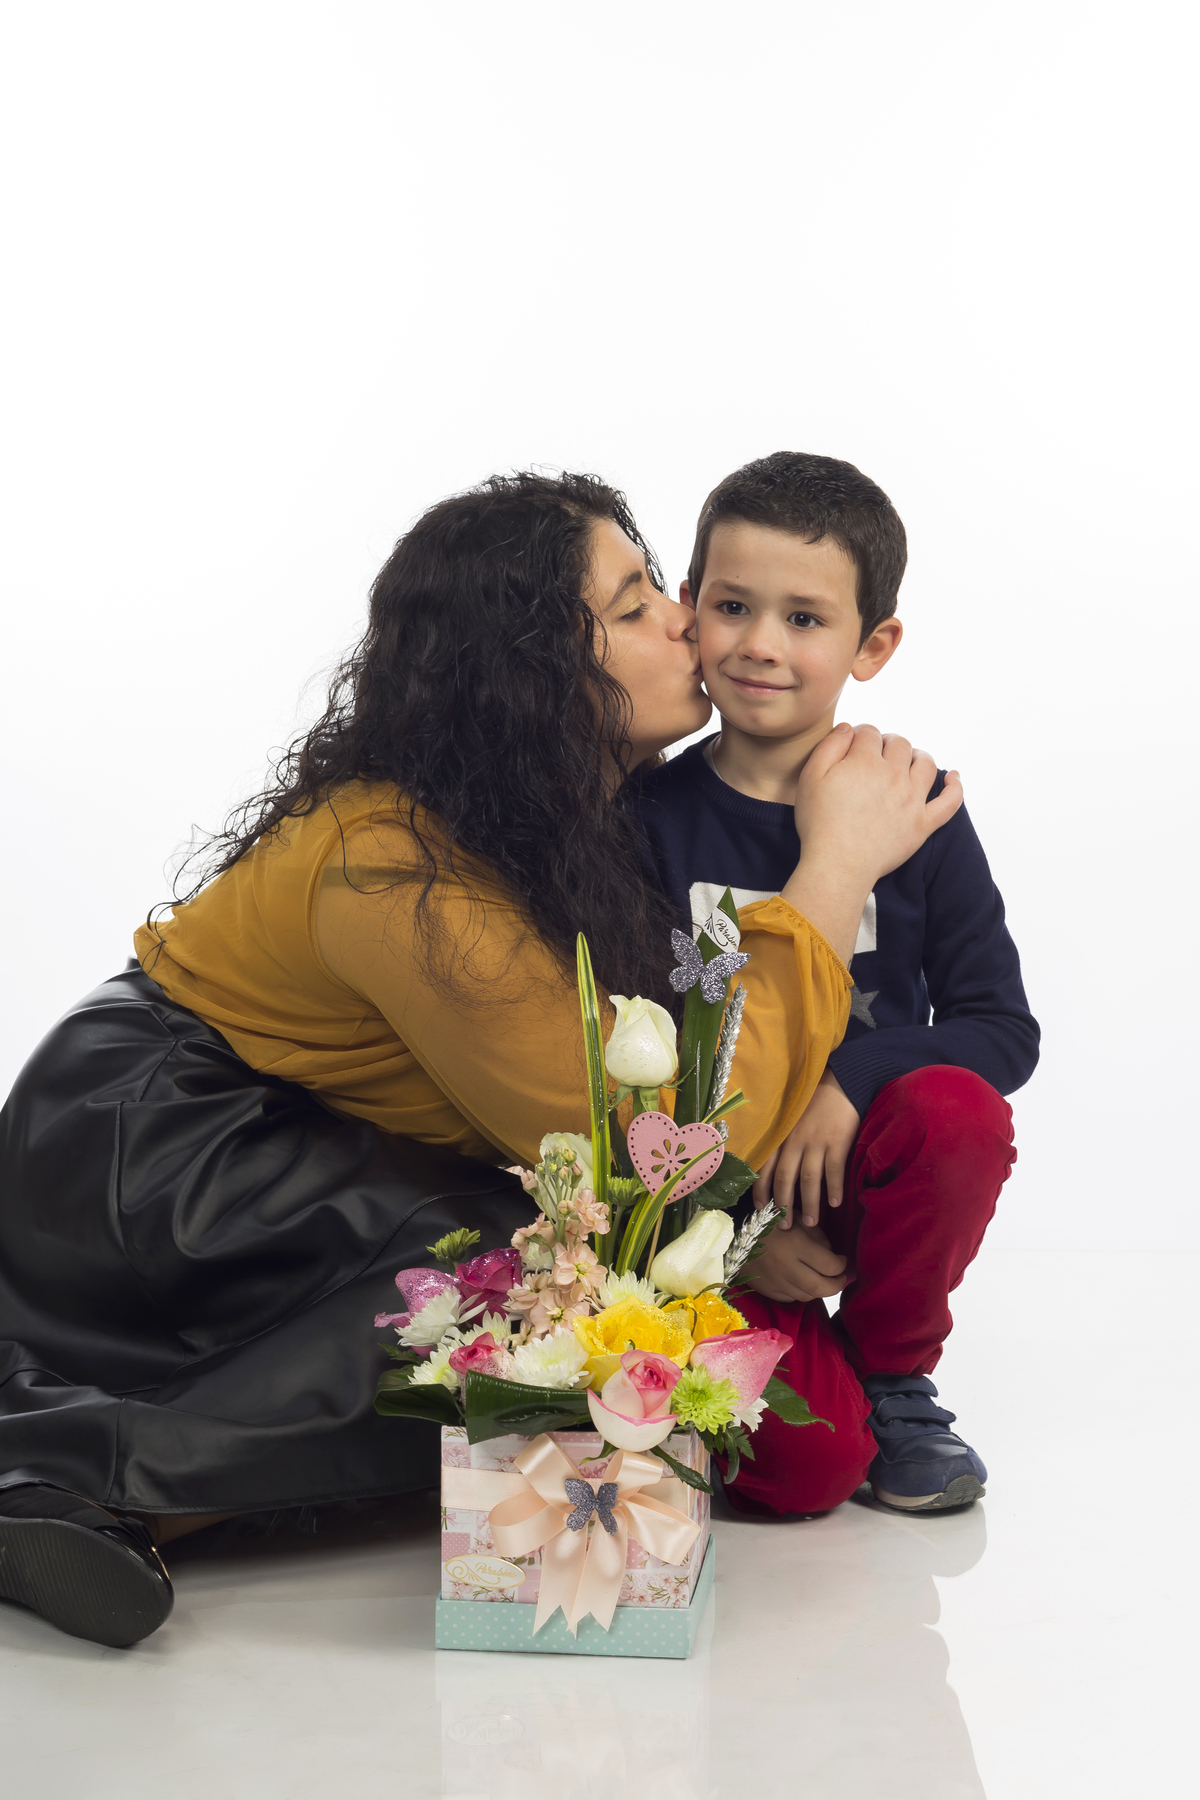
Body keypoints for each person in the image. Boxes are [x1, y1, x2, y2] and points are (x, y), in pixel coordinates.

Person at [0, 470, 960, 1649]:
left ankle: (92, 1493)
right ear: (531, 674)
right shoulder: (387, 858)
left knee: (555, 1267)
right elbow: (633, 1147)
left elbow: (639, 1099)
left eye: (660, 582)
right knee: (526, 1281)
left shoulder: (552, 811)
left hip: (268, 1134)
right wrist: (831, 876)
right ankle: (72, 1481)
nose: (684, 615)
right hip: (148, 1154)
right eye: (631, 602)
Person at [635, 451, 1038, 1517]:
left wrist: (852, 1076)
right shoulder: (642, 820)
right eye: (731, 605)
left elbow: (1004, 1029)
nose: (761, 644)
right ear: (688, 608)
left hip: (850, 1186)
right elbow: (613, 1066)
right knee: (805, 1477)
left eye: (806, 620)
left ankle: (894, 1378)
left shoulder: (917, 809)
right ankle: (809, 1388)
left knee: (954, 1106)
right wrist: (730, 1239)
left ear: (873, 645)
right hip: (696, 1212)